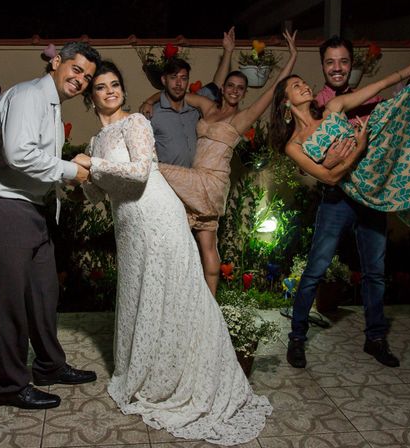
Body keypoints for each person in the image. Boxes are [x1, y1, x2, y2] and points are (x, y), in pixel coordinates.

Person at [74, 60, 271, 446]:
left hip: (157, 216)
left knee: (174, 294)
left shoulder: (136, 124)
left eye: (116, 84)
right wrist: (80, 177)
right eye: (101, 86)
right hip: (128, 227)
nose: (111, 91)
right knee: (142, 296)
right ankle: (146, 370)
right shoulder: (96, 141)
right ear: (90, 96)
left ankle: (180, 376)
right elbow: (98, 193)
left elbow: (140, 171)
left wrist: (92, 165)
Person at [269, 35, 410, 369]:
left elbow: (388, 81)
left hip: (369, 197)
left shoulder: (335, 107)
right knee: (314, 272)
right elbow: (330, 178)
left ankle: (375, 338)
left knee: (375, 272)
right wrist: (355, 152)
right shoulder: (293, 144)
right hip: (336, 201)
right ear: (285, 101)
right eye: (296, 85)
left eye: (304, 82)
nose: (305, 85)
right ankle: (297, 338)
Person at [0, 41, 101, 410]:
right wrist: (72, 169)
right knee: (9, 301)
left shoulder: (53, 109)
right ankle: (9, 386)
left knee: (43, 293)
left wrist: (69, 185)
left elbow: (38, 166)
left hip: (30, 209)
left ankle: (48, 366)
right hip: (3, 205)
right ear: (57, 62)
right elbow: (18, 154)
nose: (81, 80)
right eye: (76, 70)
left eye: (87, 77)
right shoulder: (29, 95)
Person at [158, 30, 297, 295]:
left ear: (244, 94)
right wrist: (148, 101)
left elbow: (274, 89)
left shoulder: (242, 118)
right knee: (204, 243)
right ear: (222, 89)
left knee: (155, 168)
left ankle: (202, 304)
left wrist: (293, 56)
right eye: (230, 86)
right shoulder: (208, 107)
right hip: (197, 181)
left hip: (210, 181)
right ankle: (202, 304)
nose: (234, 91)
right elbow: (175, 93)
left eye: (240, 88)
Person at [140, 27, 236, 168]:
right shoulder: (152, 114)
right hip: (167, 183)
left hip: (195, 181)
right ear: (163, 80)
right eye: (173, 78)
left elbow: (217, 85)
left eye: (183, 78)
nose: (178, 83)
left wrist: (228, 51)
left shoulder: (196, 104)